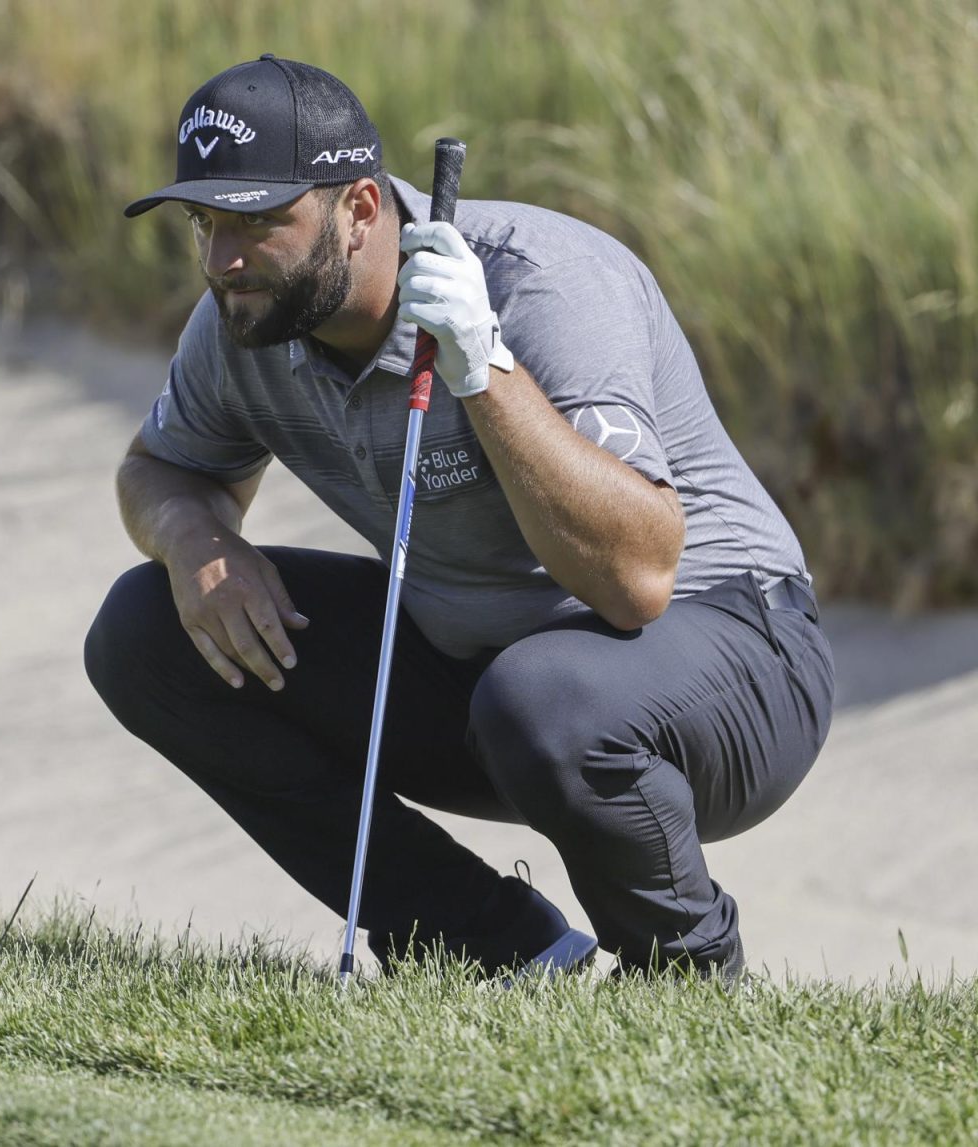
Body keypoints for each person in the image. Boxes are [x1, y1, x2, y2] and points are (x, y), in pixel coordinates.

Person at [83, 55, 834, 981]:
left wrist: (484, 369)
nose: (222, 258)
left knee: (545, 697)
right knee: (142, 631)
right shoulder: (250, 316)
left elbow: (637, 581)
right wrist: (199, 541)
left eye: (257, 219)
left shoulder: (543, 285)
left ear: (360, 209)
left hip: (734, 655)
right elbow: (158, 470)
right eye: (205, 221)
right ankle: (488, 944)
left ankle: (691, 978)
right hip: (491, 675)